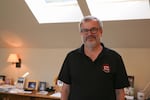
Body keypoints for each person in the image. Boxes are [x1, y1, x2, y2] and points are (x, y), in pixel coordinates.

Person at [58, 16, 129, 100]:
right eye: (85, 30)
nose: (89, 34)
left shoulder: (115, 58)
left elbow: (119, 92)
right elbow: (65, 89)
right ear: (81, 33)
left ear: (101, 31)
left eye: (93, 29)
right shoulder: (71, 57)